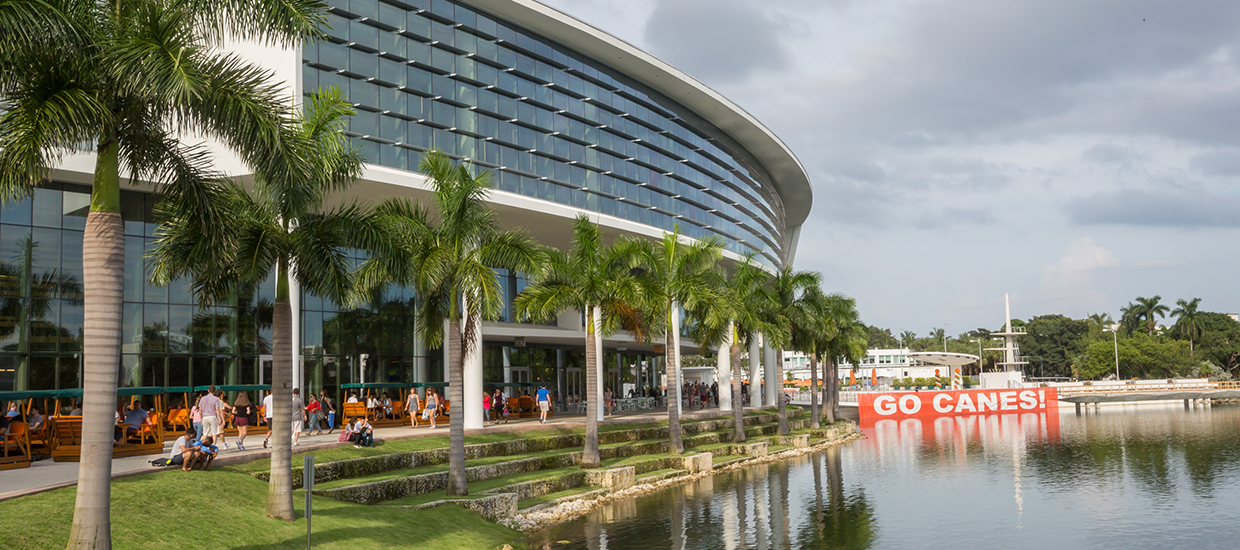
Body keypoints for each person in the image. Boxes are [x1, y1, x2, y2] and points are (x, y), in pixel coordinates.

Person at [199, 385, 227, 450]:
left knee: (205, 433)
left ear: (208, 391)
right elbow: (217, 409)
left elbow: (200, 409)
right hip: (212, 416)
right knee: (214, 433)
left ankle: (199, 445)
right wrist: (220, 418)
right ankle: (213, 446)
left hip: (205, 416)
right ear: (214, 391)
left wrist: (200, 418)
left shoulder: (202, 398)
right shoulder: (216, 399)